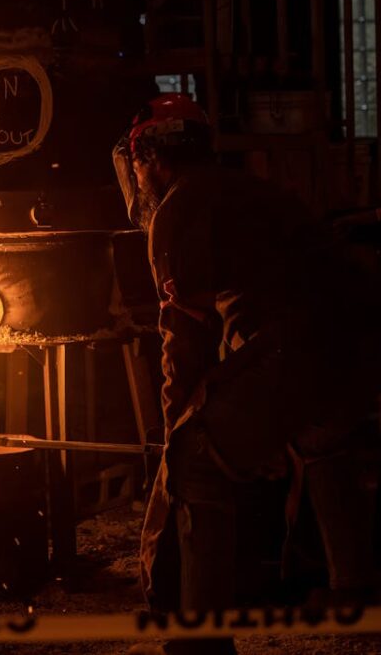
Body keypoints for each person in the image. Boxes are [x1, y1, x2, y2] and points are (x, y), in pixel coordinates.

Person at [113, 94, 379, 655]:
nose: (138, 178)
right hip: (359, 349)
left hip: (296, 351)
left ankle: (199, 642)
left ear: (152, 159)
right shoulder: (250, 190)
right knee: (324, 442)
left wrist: (176, 432)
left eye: (137, 166)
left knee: (196, 461)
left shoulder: (179, 209)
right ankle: (355, 590)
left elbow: (185, 346)